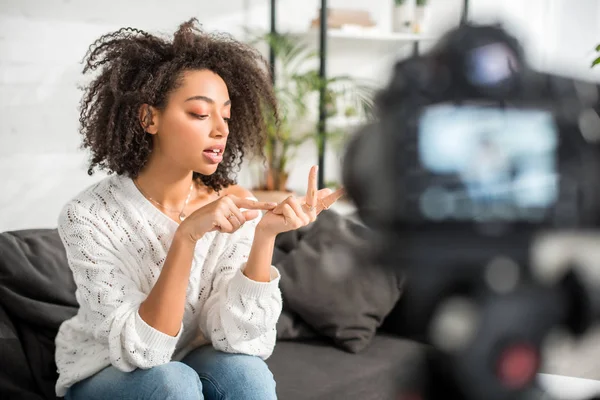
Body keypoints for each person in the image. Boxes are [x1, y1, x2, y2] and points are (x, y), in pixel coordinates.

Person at [55, 18, 344, 400]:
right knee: (172, 381)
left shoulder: (230, 203)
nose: (221, 130)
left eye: (225, 115)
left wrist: (264, 236)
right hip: (108, 368)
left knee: (248, 374)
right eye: (199, 113)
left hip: (189, 360)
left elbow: (243, 342)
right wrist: (187, 236)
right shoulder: (88, 214)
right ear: (149, 118)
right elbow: (144, 352)